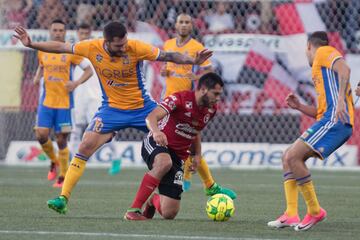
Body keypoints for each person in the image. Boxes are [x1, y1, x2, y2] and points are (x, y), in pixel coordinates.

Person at [14, 21, 212, 214]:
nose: (124, 47)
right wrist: (31, 44)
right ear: (106, 42)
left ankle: (210, 185)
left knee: (182, 129)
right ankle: (63, 198)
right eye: (119, 45)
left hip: (143, 108)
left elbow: (169, 55)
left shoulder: (135, 47)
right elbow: (61, 47)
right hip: (111, 110)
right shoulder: (91, 47)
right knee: (85, 145)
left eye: (125, 42)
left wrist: (193, 61)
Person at [267, 31, 354, 231]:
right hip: (329, 118)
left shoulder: (323, 51)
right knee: (287, 156)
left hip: (336, 120)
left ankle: (315, 211)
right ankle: (290, 213)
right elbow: (319, 112)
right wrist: (300, 107)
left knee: (294, 157)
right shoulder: (320, 71)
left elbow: (345, 69)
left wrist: (341, 99)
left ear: (308, 46)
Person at [124, 72, 224, 220]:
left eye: (219, 94)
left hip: (179, 157)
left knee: (169, 213)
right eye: (215, 93)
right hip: (157, 143)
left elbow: (195, 131)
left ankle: (153, 201)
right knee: (165, 162)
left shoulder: (211, 110)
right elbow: (151, 117)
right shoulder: (179, 98)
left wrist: (196, 155)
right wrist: (156, 132)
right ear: (203, 89)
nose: (217, 98)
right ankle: (133, 210)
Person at [161, 13, 236, 199]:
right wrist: (165, 70)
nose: (184, 25)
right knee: (182, 142)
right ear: (175, 25)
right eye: (181, 22)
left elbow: (209, 71)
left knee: (190, 139)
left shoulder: (197, 47)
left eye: (187, 22)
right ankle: (195, 181)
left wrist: (197, 78)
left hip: (189, 102)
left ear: (192, 26)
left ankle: (194, 180)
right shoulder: (168, 44)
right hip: (170, 101)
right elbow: (166, 67)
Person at [31, 19, 93, 187]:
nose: (58, 33)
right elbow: (41, 66)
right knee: (41, 135)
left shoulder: (70, 51)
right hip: (47, 102)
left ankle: (63, 176)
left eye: (61, 30)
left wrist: (76, 83)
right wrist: (38, 76)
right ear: (50, 32)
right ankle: (54, 161)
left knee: (61, 140)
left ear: (65, 33)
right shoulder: (42, 50)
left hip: (65, 104)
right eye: (55, 30)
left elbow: (89, 70)